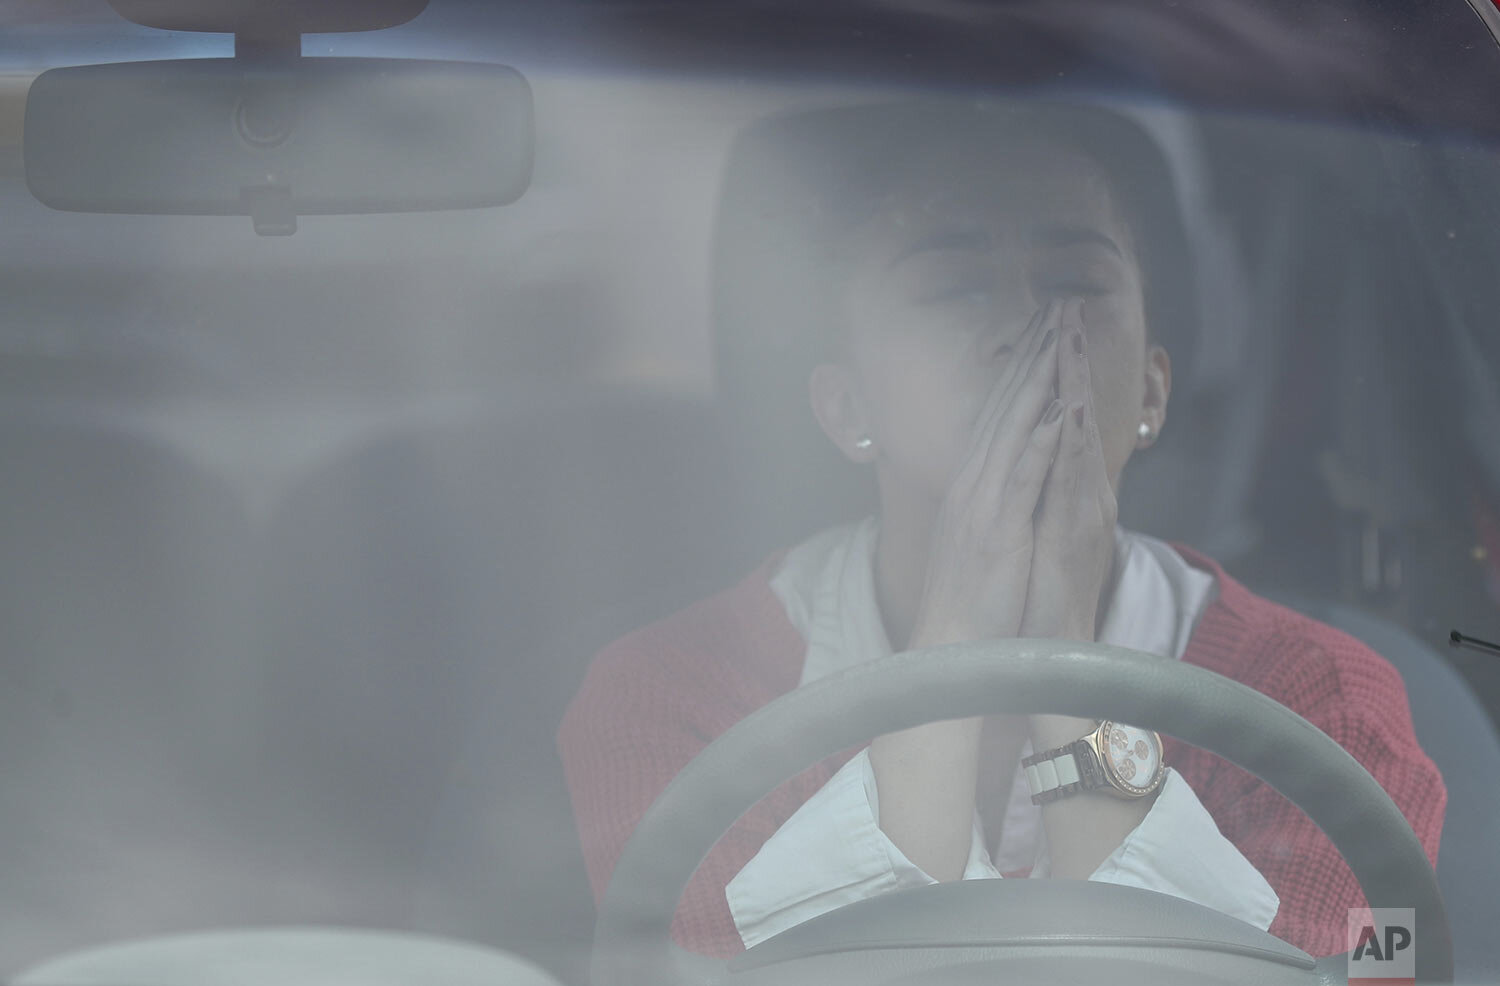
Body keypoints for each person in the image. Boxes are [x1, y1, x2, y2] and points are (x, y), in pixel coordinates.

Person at [557, 100, 1445, 960]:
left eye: (1075, 285)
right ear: (847, 406)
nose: (1024, 327)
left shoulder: (1321, 706)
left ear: (1150, 392)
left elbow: (1349, 969)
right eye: (953, 288)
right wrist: (957, 630)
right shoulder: (673, 696)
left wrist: (1063, 646)